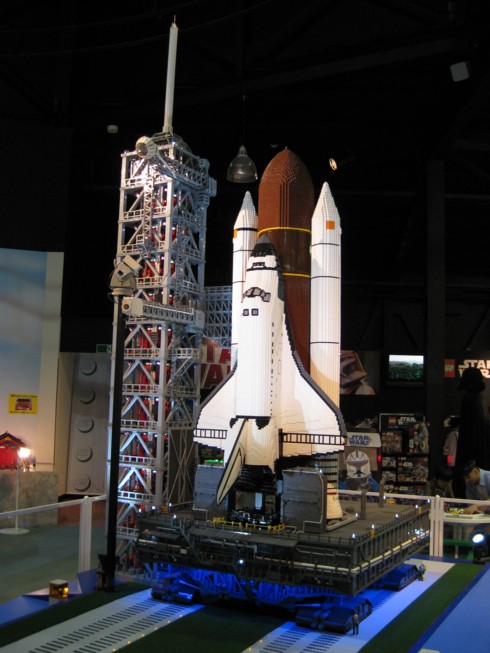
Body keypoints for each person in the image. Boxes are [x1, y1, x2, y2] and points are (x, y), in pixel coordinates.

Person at [453, 368, 490, 498]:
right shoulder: (482, 401)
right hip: (482, 458)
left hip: (469, 456)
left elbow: (467, 435)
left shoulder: (469, 400)